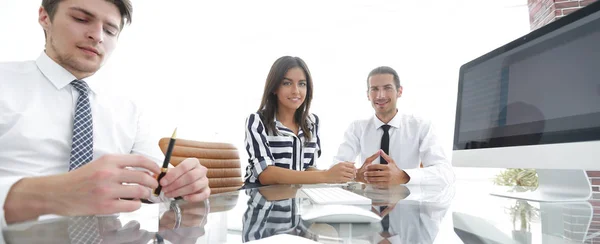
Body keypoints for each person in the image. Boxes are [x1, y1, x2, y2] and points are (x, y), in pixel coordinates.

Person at [0, 0, 210, 225]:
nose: (98, 36)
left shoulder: (129, 110)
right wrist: (46, 195)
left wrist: (182, 185)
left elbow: (157, 185)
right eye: (81, 19)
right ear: (44, 17)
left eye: (110, 30)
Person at [243, 56, 355, 186]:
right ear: (274, 87)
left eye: (302, 84)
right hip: (261, 201)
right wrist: (325, 175)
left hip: (295, 198)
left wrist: (341, 174)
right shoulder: (258, 121)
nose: (296, 91)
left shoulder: (311, 122)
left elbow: (307, 168)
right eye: (287, 83)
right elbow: (266, 174)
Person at [333, 66, 454, 186]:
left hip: (408, 201)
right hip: (367, 202)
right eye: (374, 89)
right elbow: (334, 168)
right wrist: (356, 175)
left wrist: (403, 176)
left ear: (399, 91)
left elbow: (445, 172)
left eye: (387, 88)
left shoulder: (421, 126)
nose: (380, 95)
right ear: (368, 95)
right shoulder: (357, 128)